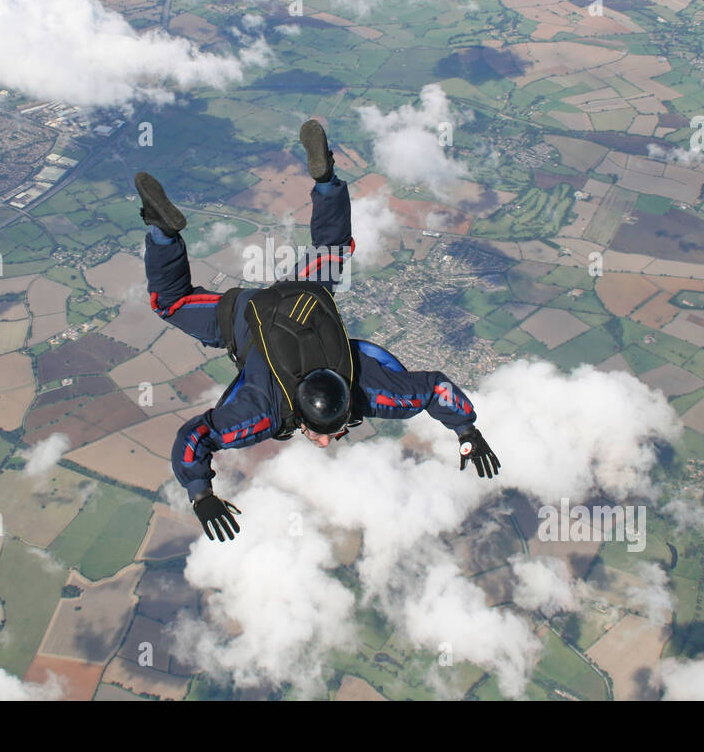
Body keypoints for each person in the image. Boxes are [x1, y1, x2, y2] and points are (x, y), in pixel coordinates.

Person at [138, 120, 501, 541]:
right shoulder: (264, 412)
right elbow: (197, 435)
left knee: (333, 249)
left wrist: (468, 430)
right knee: (170, 303)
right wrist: (200, 494)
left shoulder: (368, 391)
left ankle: (326, 179)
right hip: (246, 315)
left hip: (305, 293)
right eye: (331, 433)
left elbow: (434, 390)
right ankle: (162, 231)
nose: (327, 443)